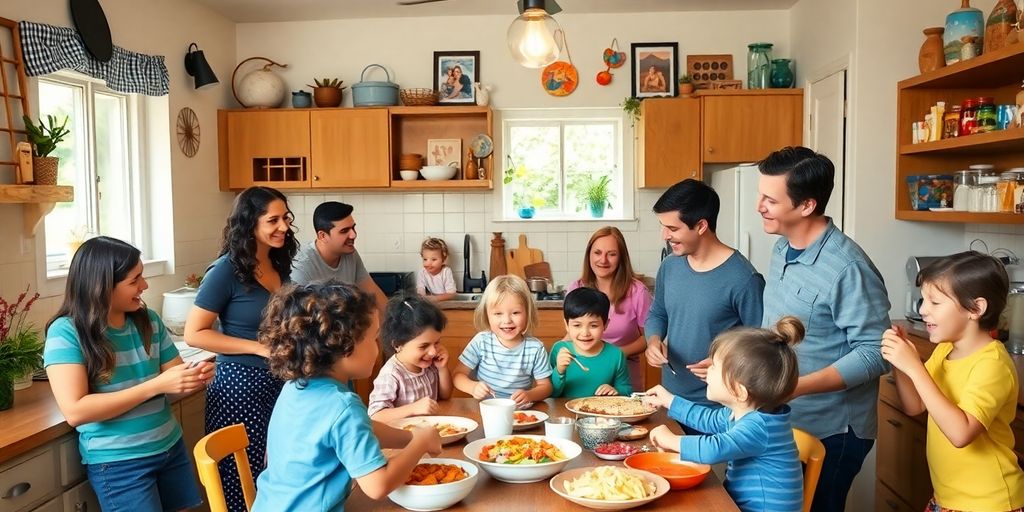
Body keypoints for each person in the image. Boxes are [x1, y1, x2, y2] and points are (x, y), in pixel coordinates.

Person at [757, 146, 890, 512]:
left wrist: (795, 387)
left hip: (832, 431)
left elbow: (875, 352)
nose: (760, 206)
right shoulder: (781, 247)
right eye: (761, 195)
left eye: (770, 199)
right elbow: (779, 327)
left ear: (806, 206)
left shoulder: (848, 268)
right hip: (785, 416)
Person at [44, 236, 214, 512]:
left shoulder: (147, 320)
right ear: (102, 286)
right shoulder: (66, 332)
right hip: (120, 463)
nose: (144, 286)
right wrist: (156, 385)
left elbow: (175, 379)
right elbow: (76, 410)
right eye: (134, 280)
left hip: (170, 446)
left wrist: (196, 376)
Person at [252, 282, 443, 511]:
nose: (378, 348)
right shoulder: (343, 405)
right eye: (373, 339)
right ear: (344, 346)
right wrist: (420, 444)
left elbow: (361, 428)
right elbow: (378, 486)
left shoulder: (296, 387)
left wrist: (410, 438)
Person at [184, 186, 298, 511]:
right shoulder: (226, 270)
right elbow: (195, 333)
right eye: (273, 220)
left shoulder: (278, 263)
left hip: (279, 382)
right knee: (241, 485)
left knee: (275, 477)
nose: (283, 227)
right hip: (241, 386)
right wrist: (260, 349)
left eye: (286, 218)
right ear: (250, 224)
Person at [882, 252, 1024, 512]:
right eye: (924, 300)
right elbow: (915, 405)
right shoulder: (946, 349)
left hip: (988, 503)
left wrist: (915, 368)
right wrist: (901, 364)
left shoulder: (992, 364)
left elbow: (961, 433)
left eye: (934, 302)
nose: (922, 309)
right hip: (948, 498)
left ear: (976, 308)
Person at [644, 317, 805, 512]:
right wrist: (670, 400)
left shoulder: (760, 426)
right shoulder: (742, 413)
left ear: (739, 391)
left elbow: (713, 449)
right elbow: (709, 419)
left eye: (715, 367)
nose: (707, 370)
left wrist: (670, 440)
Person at [645, 179, 765, 427]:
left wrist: (724, 362)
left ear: (701, 226)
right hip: (669, 402)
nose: (665, 236)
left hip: (717, 411)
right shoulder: (670, 266)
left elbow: (761, 348)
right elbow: (657, 313)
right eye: (662, 227)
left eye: (672, 228)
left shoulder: (744, 279)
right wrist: (653, 341)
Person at [568, 226, 652, 391]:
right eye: (597, 253)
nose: (603, 260)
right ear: (589, 255)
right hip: (584, 377)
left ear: (621, 258)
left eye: (611, 254)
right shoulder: (576, 287)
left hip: (624, 379)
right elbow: (571, 331)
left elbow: (649, 337)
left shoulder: (638, 291)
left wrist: (614, 356)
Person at [453, 275, 553, 407]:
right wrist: (473, 387)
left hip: (519, 412)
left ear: (528, 313)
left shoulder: (535, 348)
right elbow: (457, 375)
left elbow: (546, 387)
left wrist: (529, 395)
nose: (507, 320)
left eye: (515, 313)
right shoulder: (481, 341)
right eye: (498, 314)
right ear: (487, 315)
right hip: (487, 410)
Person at [291, 201, 387, 313]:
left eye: (353, 228)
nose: (353, 235)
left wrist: (399, 324)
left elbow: (374, 296)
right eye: (344, 231)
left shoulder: (350, 254)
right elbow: (297, 318)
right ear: (322, 236)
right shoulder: (301, 266)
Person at [367, 295, 452, 423]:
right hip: (404, 439)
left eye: (437, 343)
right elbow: (376, 415)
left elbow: (445, 395)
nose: (433, 351)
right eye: (424, 346)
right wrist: (413, 408)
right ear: (398, 345)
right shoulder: (391, 374)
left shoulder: (430, 365)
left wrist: (442, 368)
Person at [550, 287, 631, 398]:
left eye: (593, 326)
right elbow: (552, 394)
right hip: (565, 414)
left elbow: (627, 390)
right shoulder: (559, 350)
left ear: (605, 325)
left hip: (600, 414)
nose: (585, 333)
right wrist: (559, 371)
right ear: (566, 325)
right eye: (577, 325)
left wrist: (616, 391)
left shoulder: (616, 355)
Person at [416, 237, 456, 302]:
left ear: (444, 260)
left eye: (434, 259)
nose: (428, 263)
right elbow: (420, 290)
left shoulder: (446, 272)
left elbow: (452, 294)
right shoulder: (422, 272)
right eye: (425, 259)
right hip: (433, 305)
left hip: (446, 303)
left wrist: (434, 298)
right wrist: (421, 298)